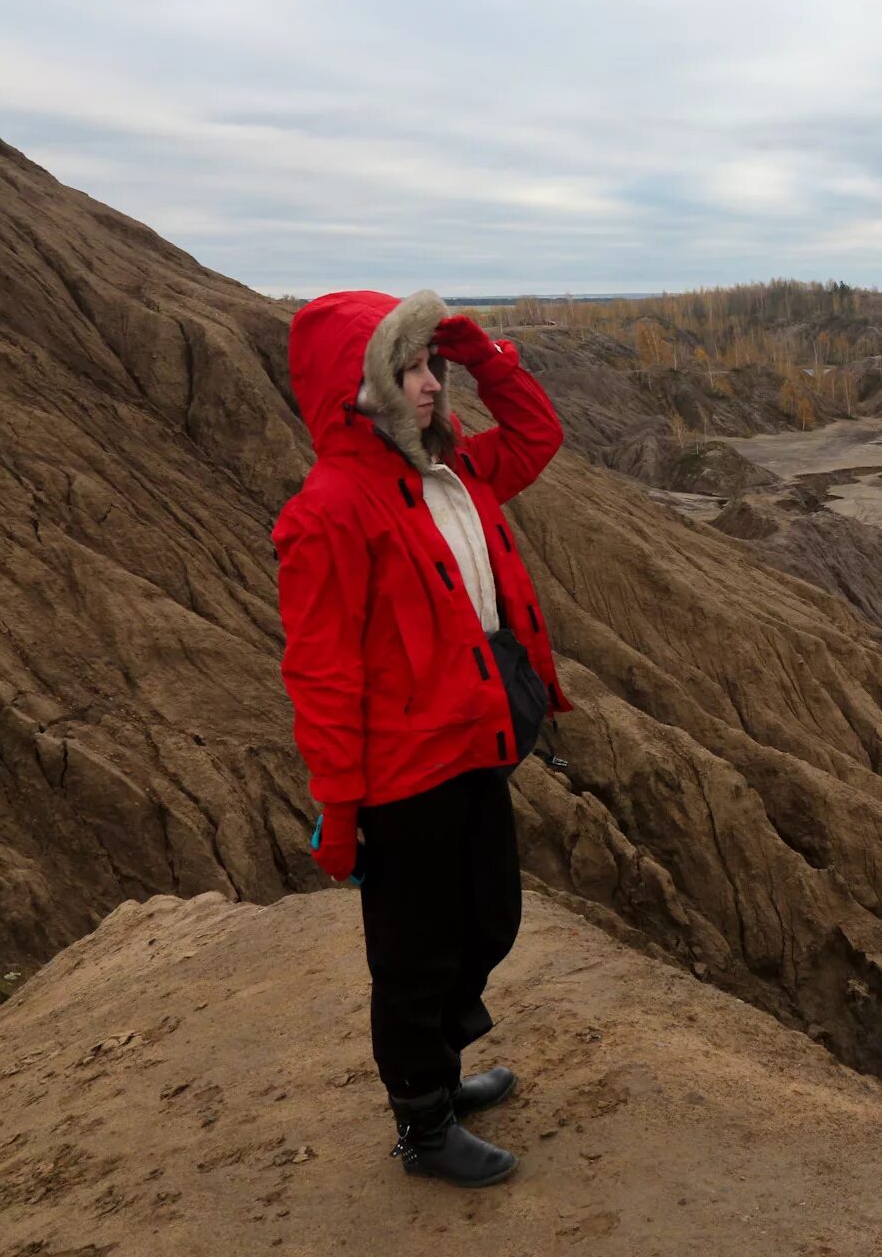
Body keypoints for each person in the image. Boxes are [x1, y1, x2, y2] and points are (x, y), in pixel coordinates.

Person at [273, 290, 570, 1187]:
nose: (429, 386)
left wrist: (483, 355)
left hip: (476, 744)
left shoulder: (451, 474)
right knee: (412, 956)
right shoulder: (327, 510)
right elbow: (323, 678)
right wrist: (339, 808)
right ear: (356, 387)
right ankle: (423, 1124)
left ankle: (438, 1073)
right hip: (402, 775)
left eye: (428, 366)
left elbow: (537, 438)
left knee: (490, 919)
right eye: (406, 370)